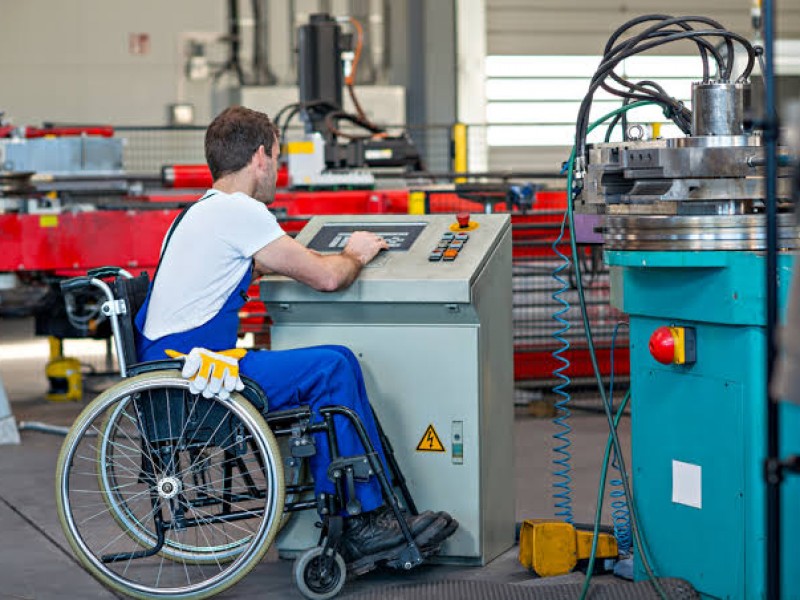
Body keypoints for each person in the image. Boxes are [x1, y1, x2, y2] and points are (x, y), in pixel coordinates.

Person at [134, 105, 457, 565]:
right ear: (261, 156)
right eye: (278, 160)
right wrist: (355, 253)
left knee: (334, 360)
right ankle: (360, 519)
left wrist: (281, 259)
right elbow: (328, 279)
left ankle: (366, 508)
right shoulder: (241, 211)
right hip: (195, 378)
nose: (277, 173)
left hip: (173, 368)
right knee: (332, 366)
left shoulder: (197, 213)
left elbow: (245, 263)